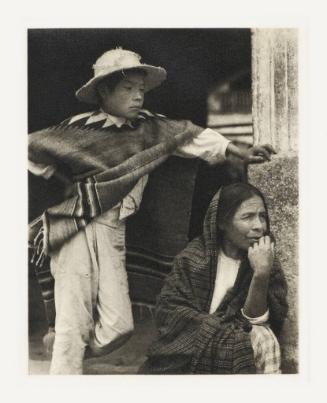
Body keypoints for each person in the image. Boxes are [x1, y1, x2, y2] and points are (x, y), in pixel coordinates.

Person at [28, 48, 276, 374]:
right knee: (75, 319)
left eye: (141, 89)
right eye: (127, 88)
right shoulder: (79, 127)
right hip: (76, 226)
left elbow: (192, 136)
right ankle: (64, 363)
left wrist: (235, 150)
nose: (137, 96)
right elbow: (30, 148)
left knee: (119, 324)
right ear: (103, 91)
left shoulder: (150, 128)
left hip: (114, 228)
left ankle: (62, 342)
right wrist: (64, 180)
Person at [140, 182, 288, 374]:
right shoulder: (192, 259)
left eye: (263, 217)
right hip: (187, 351)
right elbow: (171, 313)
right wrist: (220, 332)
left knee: (264, 338)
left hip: (236, 345)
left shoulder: (266, 260)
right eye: (247, 217)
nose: (259, 226)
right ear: (222, 223)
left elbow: (255, 321)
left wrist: (261, 273)